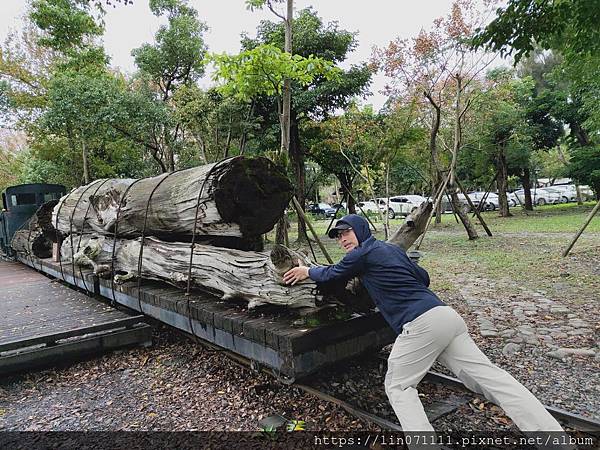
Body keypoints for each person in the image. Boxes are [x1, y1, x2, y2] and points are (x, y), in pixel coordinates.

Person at [283, 214, 569, 446]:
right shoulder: (391, 250)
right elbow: (424, 277)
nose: (343, 239)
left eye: (346, 233)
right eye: (338, 236)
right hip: (446, 317)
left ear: (361, 231)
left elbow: (332, 273)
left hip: (421, 324)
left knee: (398, 385)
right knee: (494, 380)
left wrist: (306, 271)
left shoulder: (364, 252)